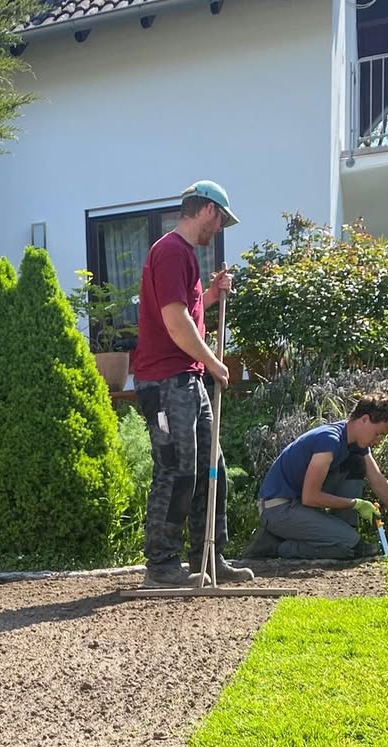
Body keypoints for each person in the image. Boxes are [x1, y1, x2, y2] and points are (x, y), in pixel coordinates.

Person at [132, 179, 254, 587]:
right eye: (220, 221)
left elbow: (191, 310)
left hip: (187, 377)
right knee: (177, 469)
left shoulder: (184, 257)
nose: (218, 229)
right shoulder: (169, 251)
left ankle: (210, 556)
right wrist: (216, 363)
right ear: (207, 210)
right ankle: (162, 564)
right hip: (165, 381)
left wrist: (214, 294)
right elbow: (175, 322)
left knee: (210, 466)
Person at [247, 392, 388, 560]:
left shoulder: (356, 445)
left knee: (356, 463)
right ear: (364, 419)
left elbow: (379, 482)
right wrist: (356, 504)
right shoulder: (329, 440)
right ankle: (276, 546)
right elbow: (310, 497)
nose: (378, 440)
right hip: (279, 509)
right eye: (378, 434)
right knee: (348, 546)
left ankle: (343, 532)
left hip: (299, 505)